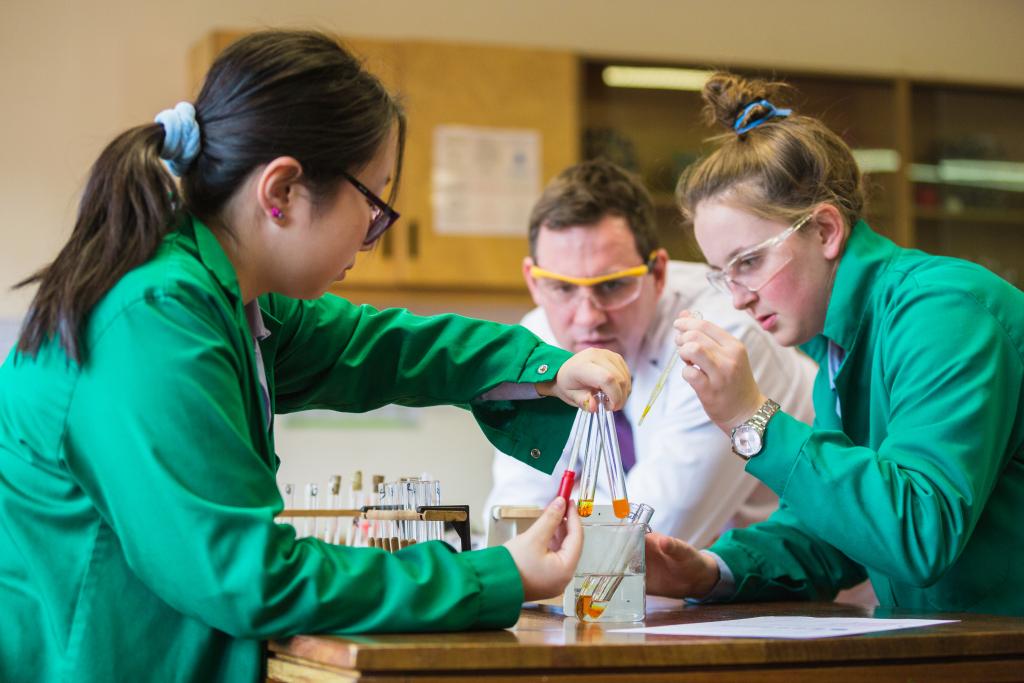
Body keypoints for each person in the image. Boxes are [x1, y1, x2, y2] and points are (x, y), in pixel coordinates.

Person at [0, 31, 633, 682]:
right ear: (283, 191)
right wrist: (496, 576)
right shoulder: (155, 320)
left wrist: (545, 365)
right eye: (375, 202)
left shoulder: (222, 298)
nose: (372, 232)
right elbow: (250, 575)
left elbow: (378, 345)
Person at [645, 72, 1024, 615]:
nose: (739, 298)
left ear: (825, 230)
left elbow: (918, 532)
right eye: (721, 274)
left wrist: (754, 419)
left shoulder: (943, 311)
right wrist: (709, 571)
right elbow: (837, 532)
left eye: (748, 262)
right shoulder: (837, 344)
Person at [484, 159, 817, 545]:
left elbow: (643, 535)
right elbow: (515, 513)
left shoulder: (719, 335)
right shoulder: (537, 336)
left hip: (804, 591)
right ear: (534, 281)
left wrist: (546, 537)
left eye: (611, 287)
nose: (587, 317)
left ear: (657, 273)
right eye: (562, 288)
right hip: (680, 593)